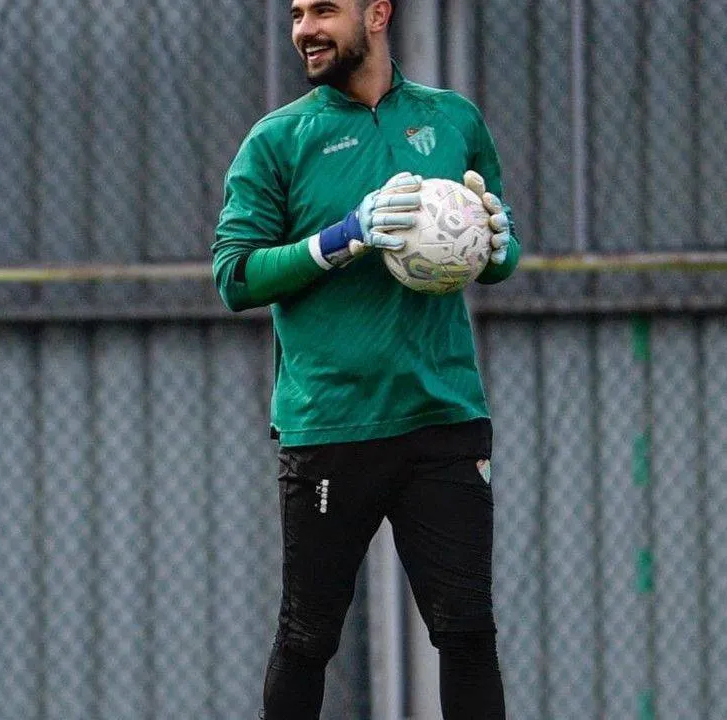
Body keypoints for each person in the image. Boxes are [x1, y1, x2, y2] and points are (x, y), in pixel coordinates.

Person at [212, 0, 520, 717]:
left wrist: (500, 246)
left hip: (443, 418)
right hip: (331, 426)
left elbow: (495, 255)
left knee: (468, 634)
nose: (305, 30)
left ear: (377, 13)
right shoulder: (278, 140)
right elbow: (234, 276)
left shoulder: (453, 120)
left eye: (324, 10)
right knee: (307, 638)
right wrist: (341, 236)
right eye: (297, 14)